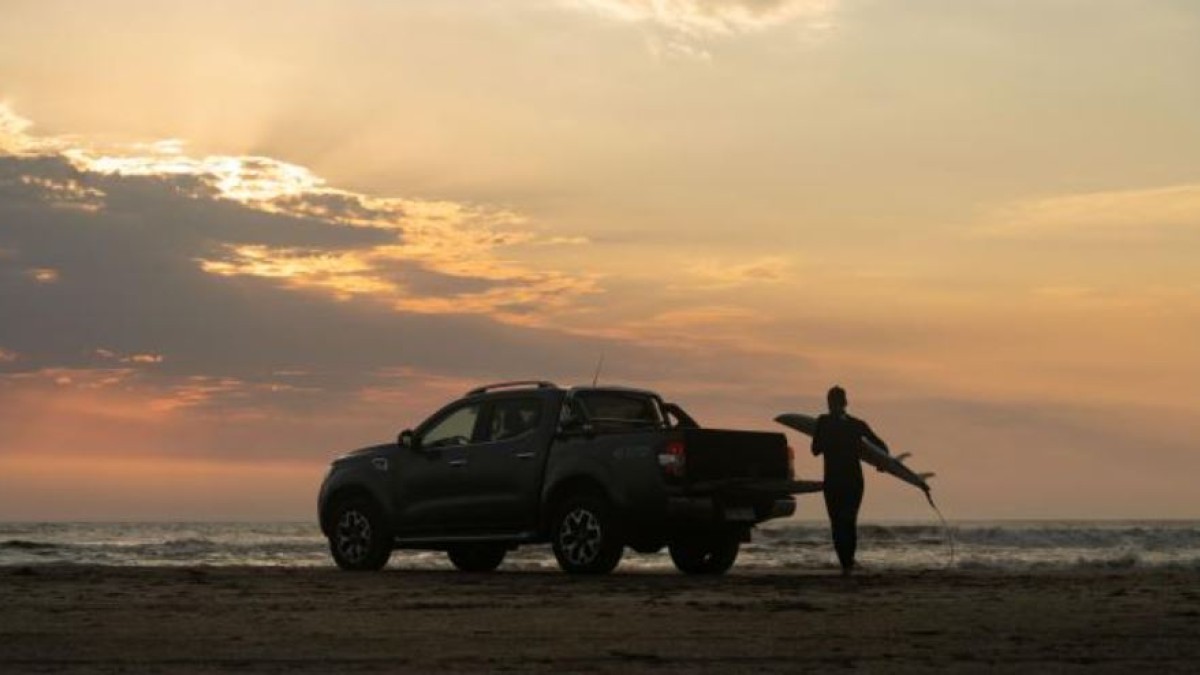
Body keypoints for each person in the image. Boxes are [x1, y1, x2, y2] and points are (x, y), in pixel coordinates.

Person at [812, 385, 890, 576]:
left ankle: (847, 564)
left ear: (839, 403)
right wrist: (882, 463)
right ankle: (847, 564)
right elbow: (883, 447)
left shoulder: (829, 422)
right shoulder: (853, 424)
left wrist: (881, 463)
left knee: (843, 522)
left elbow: (815, 449)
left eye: (833, 402)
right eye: (832, 402)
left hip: (843, 481)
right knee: (842, 523)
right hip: (845, 481)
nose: (832, 405)